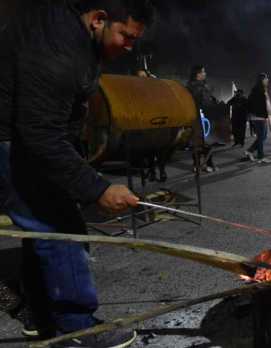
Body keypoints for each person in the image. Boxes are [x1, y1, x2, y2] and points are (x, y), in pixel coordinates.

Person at [0, 1, 154, 346]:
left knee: (39, 225)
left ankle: (41, 316)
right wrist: (96, 188)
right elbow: (40, 134)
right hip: (8, 139)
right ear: (99, 19)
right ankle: (77, 329)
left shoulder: (72, 35)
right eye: (125, 36)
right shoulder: (60, 46)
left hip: (17, 135)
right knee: (60, 225)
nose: (129, 47)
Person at [187, 65, 218, 173]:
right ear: (197, 74)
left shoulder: (203, 85)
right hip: (197, 118)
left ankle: (207, 163)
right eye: (203, 72)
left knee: (207, 142)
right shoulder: (193, 86)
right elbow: (200, 102)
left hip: (205, 117)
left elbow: (209, 100)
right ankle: (197, 165)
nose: (205, 74)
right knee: (198, 143)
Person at [245, 73, 271, 163]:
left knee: (263, 137)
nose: (267, 80)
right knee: (261, 137)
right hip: (258, 117)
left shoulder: (261, 90)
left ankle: (250, 150)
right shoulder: (257, 90)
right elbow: (252, 103)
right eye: (266, 79)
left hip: (260, 116)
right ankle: (260, 157)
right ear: (262, 80)